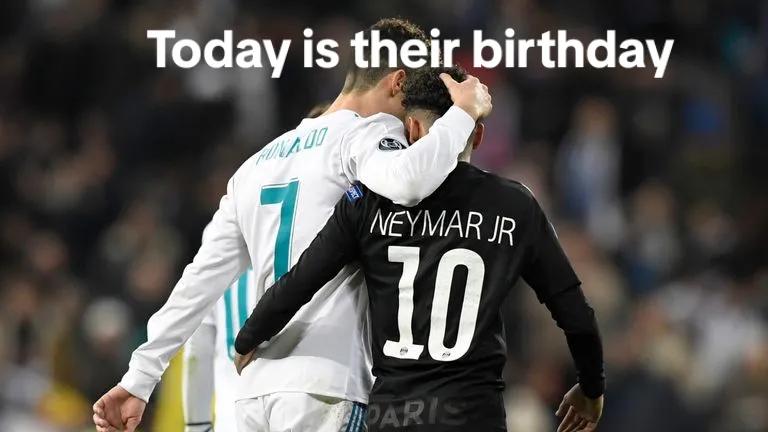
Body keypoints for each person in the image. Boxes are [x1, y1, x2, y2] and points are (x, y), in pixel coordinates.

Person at [92, 18, 492, 432]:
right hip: (324, 387)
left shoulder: (256, 165)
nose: (411, 120)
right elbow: (410, 182)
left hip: (252, 397)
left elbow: (198, 284)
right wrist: (463, 113)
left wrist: (139, 378)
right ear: (399, 82)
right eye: (414, 97)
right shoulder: (367, 135)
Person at [234, 67, 605, 432]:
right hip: (474, 416)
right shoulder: (515, 205)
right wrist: (591, 388)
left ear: (410, 128)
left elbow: (302, 278)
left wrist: (250, 335)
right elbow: (574, 312)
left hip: (393, 417)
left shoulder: (367, 200)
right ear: (477, 136)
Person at [179, 105, 330, 432]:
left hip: (233, 418)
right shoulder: (332, 239)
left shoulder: (223, 230)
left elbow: (196, 347)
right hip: (307, 406)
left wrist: (197, 426)